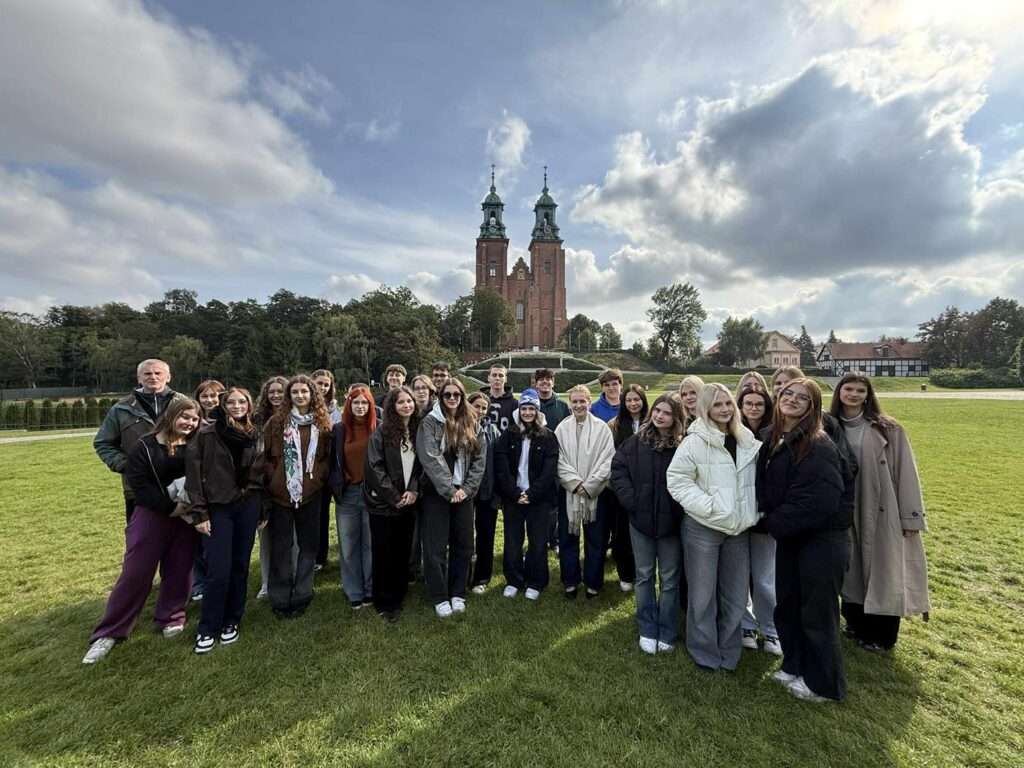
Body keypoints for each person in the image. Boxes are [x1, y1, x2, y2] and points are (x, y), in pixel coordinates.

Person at [82, 397, 201, 664]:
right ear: (170, 416)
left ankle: (171, 615)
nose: (189, 423)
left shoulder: (196, 444)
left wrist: (187, 508)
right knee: (136, 571)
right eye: (185, 417)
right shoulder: (145, 446)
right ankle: (111, 630)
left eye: (194, 419)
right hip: (152, 515)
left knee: (180, 569)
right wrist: (170, 508)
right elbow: (139, 485)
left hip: (186, 517)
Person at [758, 377, 851, 702]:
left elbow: (817, 501)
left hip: (821, 540)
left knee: (817, 612)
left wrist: (771, 522)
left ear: (813, 408)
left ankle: (823, 683)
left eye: (803, 398)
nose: (793, 400)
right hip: (792, 539)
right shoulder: (774, 437)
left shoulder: (818, 444)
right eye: (788, 394)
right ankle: (794, 664)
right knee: (789, 605)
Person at [830, 372, 929, 651]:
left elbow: (906, 472)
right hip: (847, 506)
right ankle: (856, 624)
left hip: (882, 508)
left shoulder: (887, 428)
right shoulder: (829, 425)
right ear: (839, 392)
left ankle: (883, 636)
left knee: (883, 571)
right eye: (848, 389)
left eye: (860, 390)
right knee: (853, 569)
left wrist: (911, 516)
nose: (853, 395)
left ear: (868, 395)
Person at [667, 383, 760, 671]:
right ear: (706, 408)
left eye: (728, 403)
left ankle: (728, 649)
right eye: (717, 404)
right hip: (703, 527)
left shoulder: (745, 439)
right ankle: (705, 650)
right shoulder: (694, 441)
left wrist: (751, 510)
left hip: (738, 529)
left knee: (734, 594)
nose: (724, 409)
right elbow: (678, 480)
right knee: (702, 595)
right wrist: (709, 508)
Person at [185, 387, 262, 654]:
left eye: (243, 401)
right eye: (232, 402)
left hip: (248, 505)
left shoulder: (254, 433)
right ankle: (208, 626)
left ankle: (232, 620)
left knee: (240, 566)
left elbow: (261, 472)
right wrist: (199, 513)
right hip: (218, 507)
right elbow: (194, 476)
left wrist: (262, 509)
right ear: (223, 404)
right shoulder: (207, 433)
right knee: (219, 569)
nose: (237, 406)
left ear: (249, 405)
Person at [610, 394, 685, 655]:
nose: (660, 415)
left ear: (675, 418)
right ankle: (647, 626)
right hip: (640, 520)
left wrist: (678, 508)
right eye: (657, 410)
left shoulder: (682, 445)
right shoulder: (636, 441)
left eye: (666, 412)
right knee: (643, 576)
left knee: (669, 579)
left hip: (671, 524)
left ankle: (667, 628)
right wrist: (632, 502)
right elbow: (617, 470)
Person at [262, 374, 333, 618]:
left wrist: (317, 480)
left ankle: (303, 592)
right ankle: (280, 598)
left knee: (308, 546)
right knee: (281, 547)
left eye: (305, 391)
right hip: (280, 495)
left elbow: (325, 459)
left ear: (312, 395)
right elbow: (267, 458)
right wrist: (275, 481)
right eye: (295, 392)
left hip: (311, 495)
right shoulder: (276, 423)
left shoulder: (322, 425)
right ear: (289, 396)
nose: (300, 395)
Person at [416, 378, 485, 618]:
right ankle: (439, 595)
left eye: (457, 394)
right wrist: (449, 489)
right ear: (440, 397)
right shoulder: (430, 422)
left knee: (463, 545)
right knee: (435, 547)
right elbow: (430, 457)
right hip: (437, 494)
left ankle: (457, 592)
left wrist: (466, 489)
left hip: (464, 494)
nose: (452, 398)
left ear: (462, 397)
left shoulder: (472, 422)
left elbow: (479, 458)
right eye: (447, 395)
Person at [94, 358, 179, 524]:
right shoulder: (121, 409)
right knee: (141, 541)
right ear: (139, 379)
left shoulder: (184, 404)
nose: (153, 377)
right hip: (138, 488)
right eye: (147, 373)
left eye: (158, 373)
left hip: (179, 485)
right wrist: (126, 465)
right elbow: (103, 442)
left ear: (168, 377)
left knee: (181, 544)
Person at [494, 389, 559, 601]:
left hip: (538, 499)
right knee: (513, 541)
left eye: (532, 408)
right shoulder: (509, 434)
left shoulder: (548, 436)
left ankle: (536, 580)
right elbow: (502, 468)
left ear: (538, 411)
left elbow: (549, 471)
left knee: (538, 542)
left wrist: (531, 493)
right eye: (524, 409)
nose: (528, 412)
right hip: (514, 498)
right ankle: (513, 580)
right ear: (519, 411)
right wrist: (515, 493)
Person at [365, 386, 423, 622]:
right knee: (383, 552)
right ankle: (384, 601)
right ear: (392, 406)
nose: (407, 405)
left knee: (402, 550)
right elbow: (374, 468)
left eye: (409, 401)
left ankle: (399, 594)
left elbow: (422, 466)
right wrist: (394, 496)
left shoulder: (419, 431)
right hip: (384, 504)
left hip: (408, 501)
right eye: (401, 402)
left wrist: (414, 491)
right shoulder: (381, 432)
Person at [555, 385, 616, 599]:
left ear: (590, 403)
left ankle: (593, 583)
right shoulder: (561, 429)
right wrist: (575, 484)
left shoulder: (602, 428)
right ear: (570, 403)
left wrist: (589, 486)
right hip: (569, 493)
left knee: (596, 540)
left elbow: (607, 460)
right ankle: (570, 582)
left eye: (583, 401)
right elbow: (559, 460)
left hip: (595, 494)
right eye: (575, 401)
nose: (579, 405)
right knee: (568, 538)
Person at [736, 388, 781, 655]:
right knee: (740, 577)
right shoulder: (733, 434)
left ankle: (771, 629)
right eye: (748, 403)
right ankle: (746, 625)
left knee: (765, 578)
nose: (753, 408)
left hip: (765, 516)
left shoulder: (775, 435)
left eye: (758, 404)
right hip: (739, 516)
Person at [329, 385, 378, 609]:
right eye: (356, 402)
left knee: (370, 543)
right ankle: (353, 591)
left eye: (364, 402)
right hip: (348, 493)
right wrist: (340, 481)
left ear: (370, 405)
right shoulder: (339, 430)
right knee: (348, 546)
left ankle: (370, 589)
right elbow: (331, 462)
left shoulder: (377, 429)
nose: (360, 406)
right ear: (349, 404)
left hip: (372, 494)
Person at [605, 384, 649, 592]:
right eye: (628, 400)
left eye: (636, 399)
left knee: (645, 535)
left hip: (647, 488)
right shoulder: (614, 425)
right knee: (622, 534)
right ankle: (626, 573)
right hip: (622, 489)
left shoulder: (653, 422)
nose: (633, 404)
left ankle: (644, 573)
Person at [188, 378, 226, 603]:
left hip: (222, 490)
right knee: (198, 539)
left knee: (217, 538)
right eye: (206, 396)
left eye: (215, 396)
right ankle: (199, 582)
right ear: (198, 399)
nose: (211, 400)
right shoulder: (193, 423)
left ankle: (216, 578)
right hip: (198, 487)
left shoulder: (230, 421)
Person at [254, 376, 288, 600]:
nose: (276, 395)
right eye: (272, 391)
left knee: (289, 536)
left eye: (280, 391)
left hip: (290, 484)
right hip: (264, 484)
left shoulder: (293, 418)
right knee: (265, 535)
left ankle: (289, 576)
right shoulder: (257, 421)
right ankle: (266, 582)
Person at [467, 391, 501, 593]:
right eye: (476, 406)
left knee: (486, 537)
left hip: (487, 493)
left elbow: (497, 463)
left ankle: (482, 578)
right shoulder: (458, 428)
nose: (479, 410)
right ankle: (463, 575)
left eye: (483, 407)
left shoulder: (493, 431)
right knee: (463, 537)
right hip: (464, 492)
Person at [534, 368, 570, 551]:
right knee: (538, 504)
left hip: (558, 462)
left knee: (555, 503)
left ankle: (554, 539)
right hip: (535, 463)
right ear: (536, 383)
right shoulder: (530, 406)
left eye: (548, 380)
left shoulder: (562, 406)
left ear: (553, 383)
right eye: (541, 380)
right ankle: (537, 539)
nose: (545, 383)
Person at [311, 369, 342, 571]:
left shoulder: (336, 410)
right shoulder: (307, 408)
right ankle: (318, 557)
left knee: (340, 512)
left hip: (335, 467)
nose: (323, 387)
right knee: (318, 514)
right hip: (315, 469)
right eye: (319, 383)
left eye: (326, 384)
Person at [483, 364, 517, 432]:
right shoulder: (480, 401)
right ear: (489, 378)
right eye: (494, 375)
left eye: (501, 375)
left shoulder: (514, 404)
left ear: (505, 379)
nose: (497, 378)